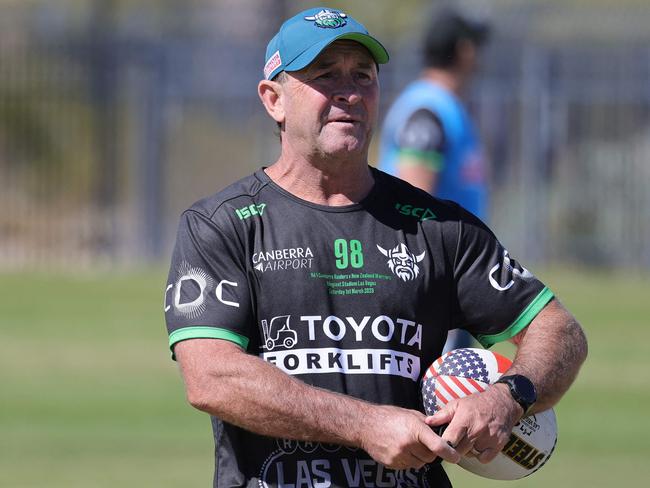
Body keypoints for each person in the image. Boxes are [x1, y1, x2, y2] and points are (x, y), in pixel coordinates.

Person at [164, 7, 587, 488]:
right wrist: (366, 425)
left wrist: (510, 395)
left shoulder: (437, 227)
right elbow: (211, 376)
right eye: (325, 75)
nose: (350, 92)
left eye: (363, 76)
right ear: (273, 99)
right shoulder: (221, 226)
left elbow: (559, 330)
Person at [378, 6, 491, 353]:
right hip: (436, 284)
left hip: (456, 277)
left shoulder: (445, 106)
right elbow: (413, 198)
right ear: (464, 50)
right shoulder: (428, 111)